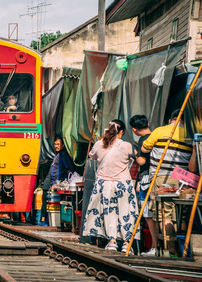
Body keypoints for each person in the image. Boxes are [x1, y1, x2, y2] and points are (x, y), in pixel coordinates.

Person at [82, 119, 139, 253]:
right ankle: (126, 244)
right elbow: (137, 158)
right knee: (126, 213)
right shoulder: (127, 146)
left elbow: (92, 157)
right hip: (124, 184)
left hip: (105, 183)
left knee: (109, 212)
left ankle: (112, 242)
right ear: (122, 132)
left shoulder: (99, 144)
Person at [142, 109, 192, 257]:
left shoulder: (160, 131)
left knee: (165, 214)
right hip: (184, 179)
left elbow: (145, 148)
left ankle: (172, 250)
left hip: (163, 178)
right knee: (181, 215)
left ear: (171, 119)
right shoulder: (189, 134)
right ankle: (183, 249)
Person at [129, 114, 156, 256]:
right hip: (158, 178)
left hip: (147, 179)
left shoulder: (142, 140)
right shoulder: (155, 135)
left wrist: (134, 154)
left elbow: (142, 162)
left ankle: (154, 248)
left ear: (134, 129)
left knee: (148, 214)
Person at [40, 136, 74, 225]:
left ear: (63, 145)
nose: (56, 146)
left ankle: (50, 221)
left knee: (54, 201)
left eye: (58, 144)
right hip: (50, 181)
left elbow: (69, 168)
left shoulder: (63, 155)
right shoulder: (57, 155)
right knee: (45, 200)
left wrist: (64, 182)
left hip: (58, 181)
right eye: (55, 144)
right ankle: (43, 220)